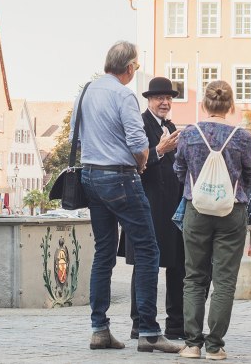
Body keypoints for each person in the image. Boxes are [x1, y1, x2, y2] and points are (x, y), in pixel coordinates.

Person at [73, 41, 180, 353]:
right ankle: (148, 331)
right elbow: (137, 141)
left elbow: (74, 136)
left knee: (104, 253)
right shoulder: (124, 95)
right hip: (120, 177)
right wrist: (144, 160)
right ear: (130, 68)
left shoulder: (86, 91)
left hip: (90, 176)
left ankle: (99, 329)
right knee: (148, 250)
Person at [174, 80, 251, 360]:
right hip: (231, 210)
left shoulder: (189, 133)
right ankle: (215, 346)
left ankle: (192, 344)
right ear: (230, 105)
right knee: (224, 280)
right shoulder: (242, 136)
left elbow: (179, 168)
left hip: (197, 210)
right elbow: (250, 173)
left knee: (195, 277)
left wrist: (192, 187)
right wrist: (240, 190)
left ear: (204, 104)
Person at [117, 76, 185, 340]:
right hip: (147, 204)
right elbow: (133, 164)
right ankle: (140, 324)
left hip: (172, 207)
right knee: (146, 265)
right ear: (149, 100)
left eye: (168, 98)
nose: (165, 102)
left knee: (177, 264)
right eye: (159, 97)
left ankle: (176, 325)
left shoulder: (170, 125)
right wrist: (160, 149)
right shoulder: (140, 124)